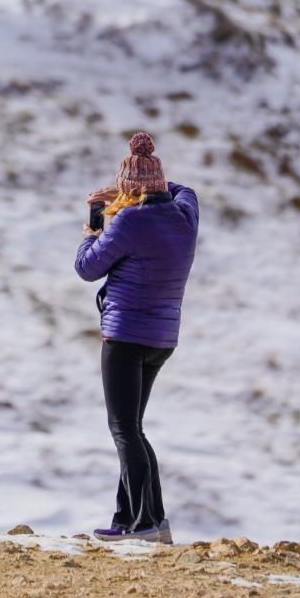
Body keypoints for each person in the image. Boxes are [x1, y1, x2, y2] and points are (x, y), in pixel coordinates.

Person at [75, 132, 199, 543]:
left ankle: (145, 524)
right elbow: (187, 191)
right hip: (162, 339)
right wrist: (148, 184)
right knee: (134, 428)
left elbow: (87, 268)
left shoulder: (128, 220)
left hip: (125, 335)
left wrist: (95, 219)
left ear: (129, 190)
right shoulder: (184, 216)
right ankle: (136, 519)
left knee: (124, 429)